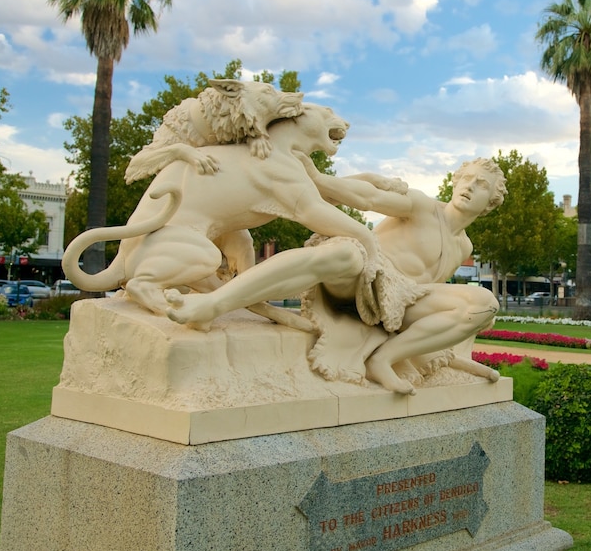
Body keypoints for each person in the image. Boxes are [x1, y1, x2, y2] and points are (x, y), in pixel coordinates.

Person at [165, 158, 508, 395]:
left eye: (479, 185)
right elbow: (365, 197)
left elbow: (437, 297)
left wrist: (464, 344)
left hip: (399, 301)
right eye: (465, 178)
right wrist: (315, 178)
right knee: (348, 251)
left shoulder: (463, 244)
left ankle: (382, 360)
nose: (468, 186)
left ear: (491, 202)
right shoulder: (421, 206)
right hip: (365, 274)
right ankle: (211, 304)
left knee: (483, 304)